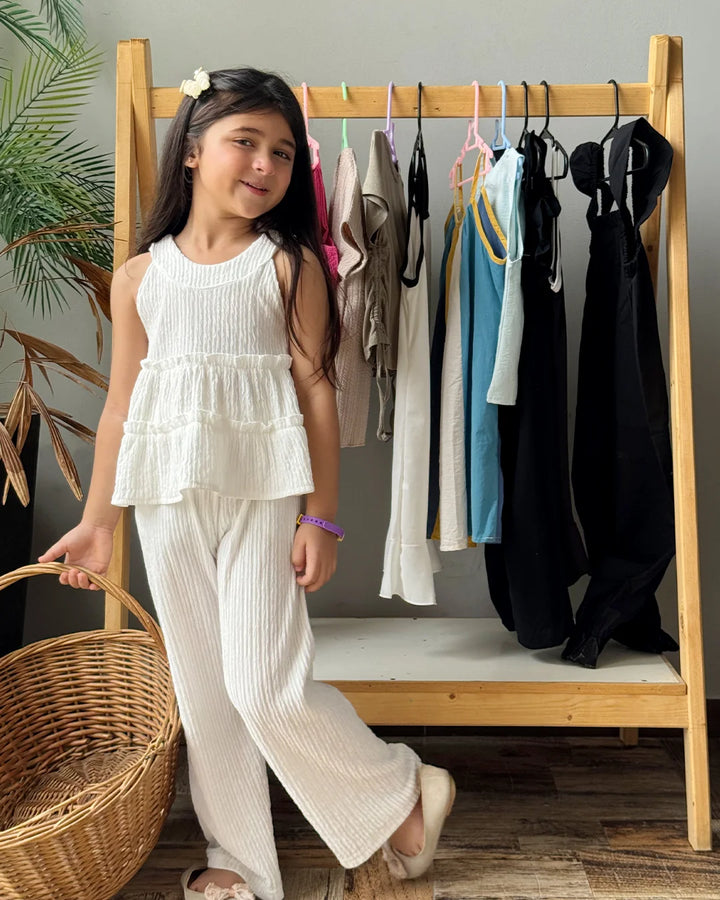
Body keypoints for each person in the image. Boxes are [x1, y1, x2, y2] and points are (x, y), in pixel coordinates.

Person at [39, 66, 455, 900]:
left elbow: (317, 393)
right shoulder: (140, 278)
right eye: (246, 142)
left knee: (264, 687)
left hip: (264, 498)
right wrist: (98, 522)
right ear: (193, 150)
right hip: (167, 502)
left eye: (283, 152)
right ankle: (238, 861)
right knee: (204, 694)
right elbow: (121, 408)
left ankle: (403, 791)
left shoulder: (289, 266)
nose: (266, 164)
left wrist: (321, 519)